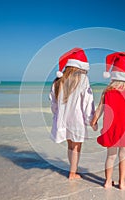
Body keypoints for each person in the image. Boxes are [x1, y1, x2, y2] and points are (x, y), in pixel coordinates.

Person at [90, 52, 125, 190]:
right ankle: (122, 183)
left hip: (110, 127)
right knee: (123, 155)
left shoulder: (107, 91)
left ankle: (107, 182)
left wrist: (93, 121)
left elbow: (99, 109)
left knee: (110, 156)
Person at [49, 47, 95, 180]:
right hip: (77, 119)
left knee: (70, 146)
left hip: (63, 119)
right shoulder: (83, 79)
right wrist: (90, 118)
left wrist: (57, 116)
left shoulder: (58, 80)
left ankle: (72, 169)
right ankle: (72, 173)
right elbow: (87, 101)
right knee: (76, 147)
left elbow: (53, 102)